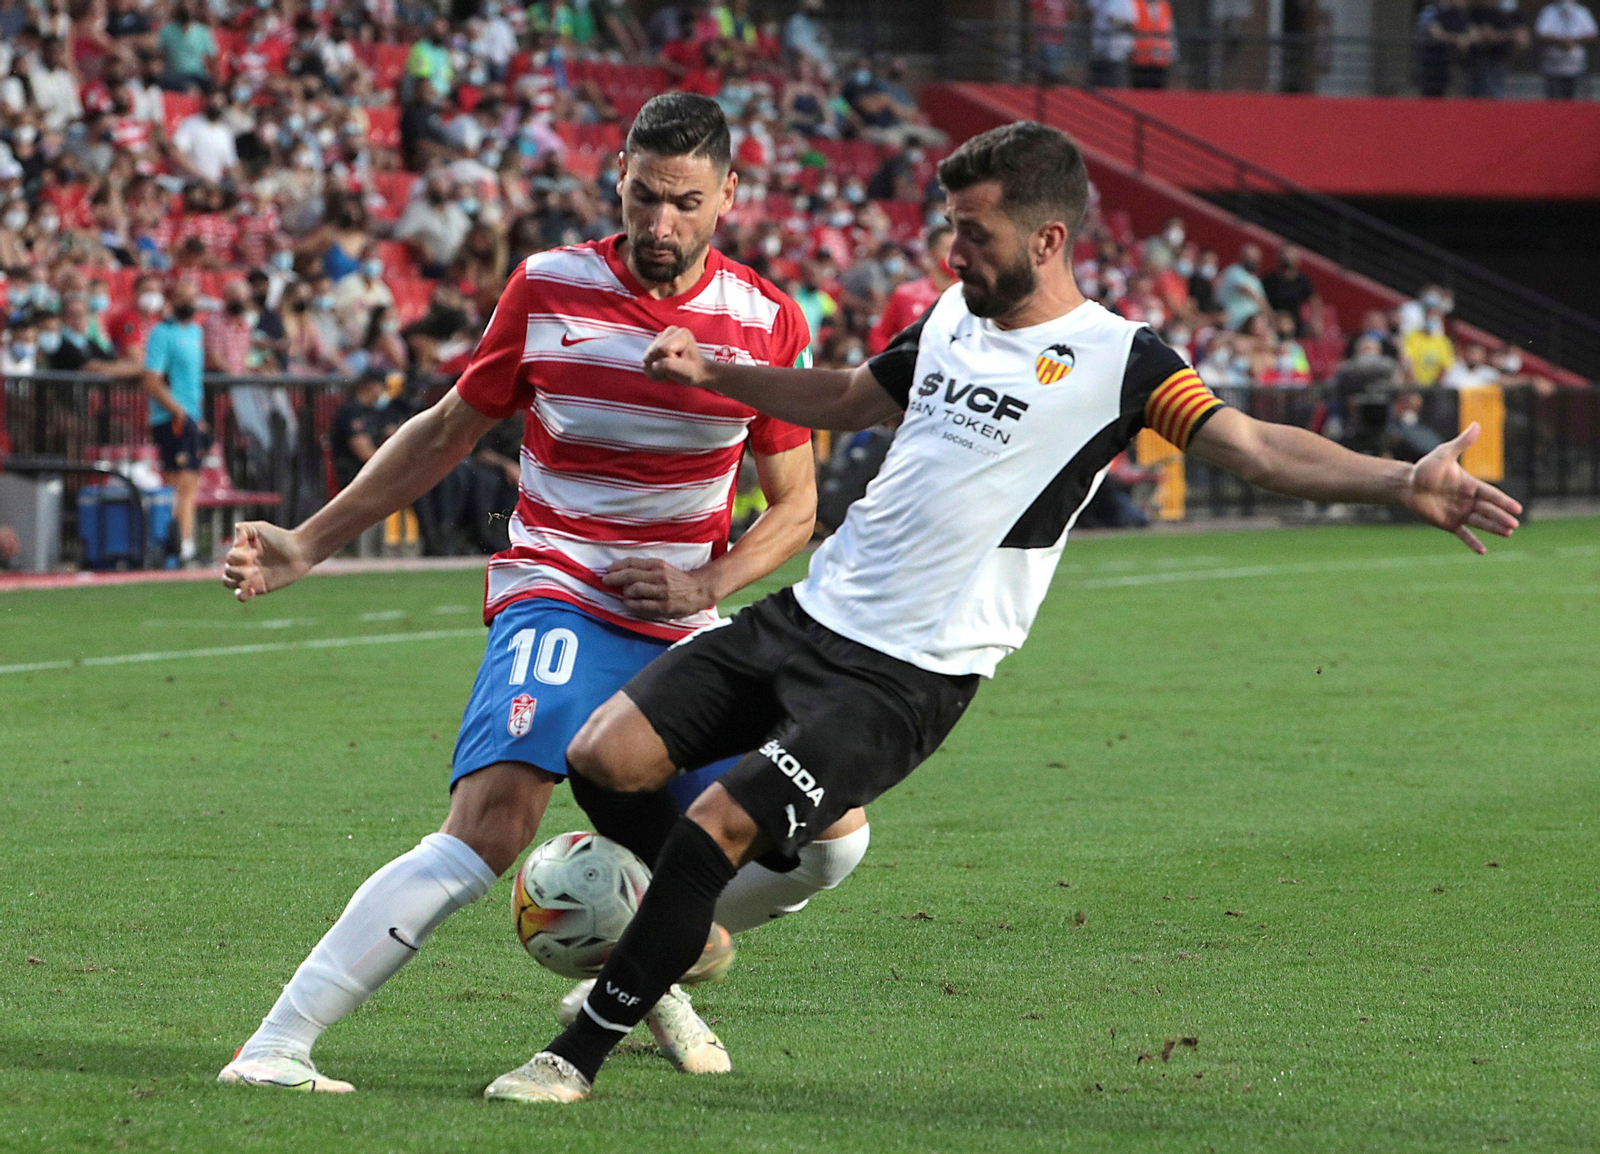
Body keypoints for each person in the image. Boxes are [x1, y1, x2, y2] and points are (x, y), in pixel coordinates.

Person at [486, 119, 1523, 1104]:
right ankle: (677, 936)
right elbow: (849, 397)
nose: (954, 254)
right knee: (605, 756)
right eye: (951, 229)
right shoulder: (950, 317)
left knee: (720, 823)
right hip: (811, 614)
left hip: (906, 674)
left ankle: (576, 1055)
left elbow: (1253, 447)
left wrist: (1400, 480)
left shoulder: (1121, 359)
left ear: (1048, 239)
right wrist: (718, 371)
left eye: (974, 233)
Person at [215, 94, 871, 1095]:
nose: (660, 223)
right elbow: (448, 429)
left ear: (730, 195)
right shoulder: (550, 286)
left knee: (830, 836)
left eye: (685, 203)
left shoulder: (766, 319)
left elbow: (795, 508)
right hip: (559, 590)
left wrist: (705, 581)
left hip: (682, 622)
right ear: (618, 177)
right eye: (644, 196)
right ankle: (277, 1043)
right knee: (493, 821)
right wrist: (309, 540)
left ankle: (641, 956)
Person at [142, 282, 206, 566]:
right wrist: (177, 410)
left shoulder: (195, 332)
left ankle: (185, 544)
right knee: (179, 482)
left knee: (190, 482)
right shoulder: (162, 333)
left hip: (190, 415)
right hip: (172, 417)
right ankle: (176, 544)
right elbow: (152, 380)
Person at [867, 223, 954, 355]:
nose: (956, 256)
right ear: (932, 252)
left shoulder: (969, 296)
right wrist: (892, 362)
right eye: (948, 249)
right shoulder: (906, 294)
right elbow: (879, 334)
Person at [1536, 0, 1598, 98]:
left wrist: (1574, 42)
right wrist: (1561, 42)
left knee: (1575, 99)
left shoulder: (1582, 11)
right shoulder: (1549, 11)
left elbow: (1592, 34)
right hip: (1553, 64)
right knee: (1554, 99)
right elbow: (1541, 33)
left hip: (1577, 64)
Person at [1468, 0, 1529, 98]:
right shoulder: (1483, 12)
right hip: (1483, 57)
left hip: (1504, 58)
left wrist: (1504, 36)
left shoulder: (1515, 14)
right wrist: (1510, 35)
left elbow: (1523, 38)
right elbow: (1486, 34)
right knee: (1486, 90)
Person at [1089, 0, 1137, 87]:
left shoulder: (1124, 2)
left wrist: (1115, 20)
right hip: (1100, 50)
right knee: (1097, 85)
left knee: (1116, 85)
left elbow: (1131, 23)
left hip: (1117, 53)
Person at [1128, 0, 1175, 89]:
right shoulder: (1135, 4)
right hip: (1140, 58)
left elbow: (1170, 29)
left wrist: (1172, 54)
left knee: (1159, 92)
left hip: (1161, 59)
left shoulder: (1164, 6)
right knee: (1140, 90)